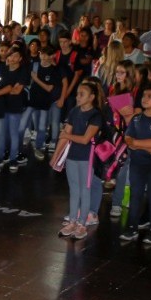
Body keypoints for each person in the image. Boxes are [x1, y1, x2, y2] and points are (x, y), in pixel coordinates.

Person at [119, 84, 151, 243]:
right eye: (144, 96)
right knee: (135, 195)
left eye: (150, 96)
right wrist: (143, 145)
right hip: (138, 162)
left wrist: (137, 144)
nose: (145, 99)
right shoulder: (137, 118)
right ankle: (132, 228)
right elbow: (128, 138)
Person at [58, 80, 103, 240]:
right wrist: (57, 155)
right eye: (77, 94)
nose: (77, 97)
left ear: (91, 97)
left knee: (85, 190)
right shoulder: (74, 111)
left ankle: (82, 223)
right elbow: (66, 131)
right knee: (74, 189)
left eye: (81, 94)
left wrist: (66, 135)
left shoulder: (96, 115)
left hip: (87, 157)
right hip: (72, 156)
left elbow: (85, 139)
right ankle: (72, 221)